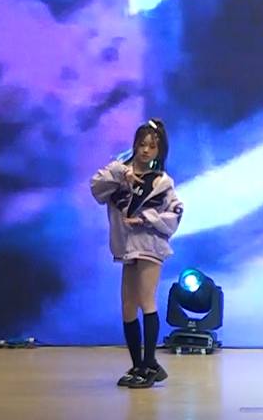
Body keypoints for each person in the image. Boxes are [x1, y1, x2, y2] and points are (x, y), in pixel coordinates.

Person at [90, 118, 184, 389]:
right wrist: (122, 173)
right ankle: (139, 365)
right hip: (127, 247)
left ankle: (149, 364)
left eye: (151, 147)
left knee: (146, 300)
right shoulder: (120, 174)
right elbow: (96, 186)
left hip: (150, 245)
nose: (145, 150)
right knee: (128, 305)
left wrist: (146, 219)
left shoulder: (162, 182)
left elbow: (175, 213)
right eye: (142, 145)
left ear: (159, 151)